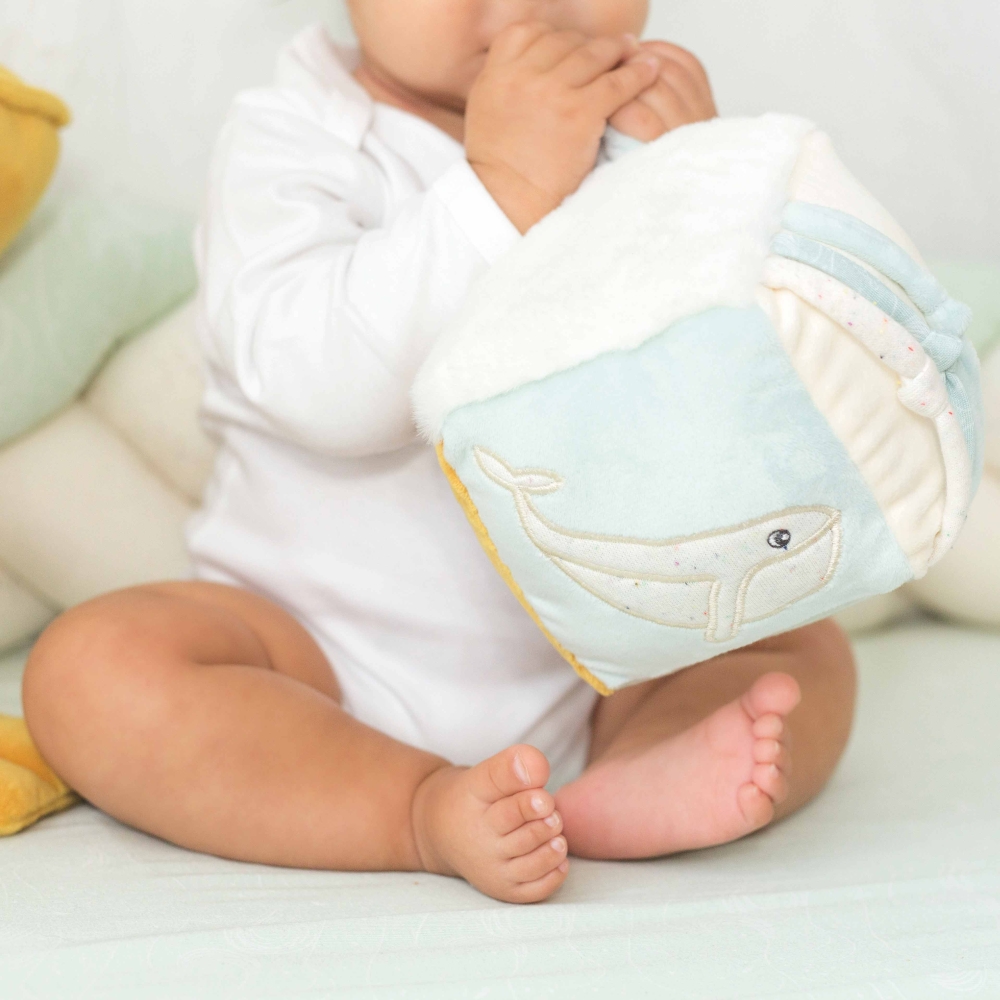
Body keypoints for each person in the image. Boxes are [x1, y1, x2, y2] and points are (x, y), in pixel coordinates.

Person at [22, 0, 856, 904]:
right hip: (308, 661)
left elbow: (746, 407)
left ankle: (638, 771)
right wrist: (498, 189)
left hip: (608, 657)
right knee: (92, 669)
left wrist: (705, 195)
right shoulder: (295, 138)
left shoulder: (653, 135)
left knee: (801, 642)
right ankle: (414, 808)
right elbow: (317, 390)